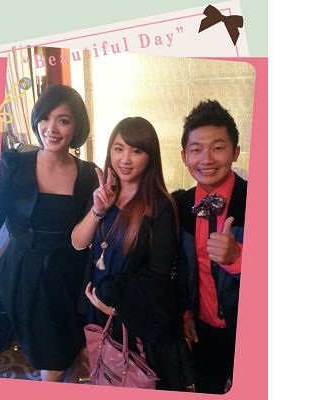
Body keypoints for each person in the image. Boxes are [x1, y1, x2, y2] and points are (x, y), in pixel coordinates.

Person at [71, 117, 194, 391]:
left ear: (150, 157)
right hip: (98, 307)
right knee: (105, 372)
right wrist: (98, 210)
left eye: (136, 151)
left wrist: (115, 306)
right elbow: (78, 243)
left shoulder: (160, 206)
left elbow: (158, 274)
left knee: (133, 378)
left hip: (132, 315)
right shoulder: (105, 194)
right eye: (118, 149)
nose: (125, 159)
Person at [0, 84, 99, 381]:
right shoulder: (13, 165)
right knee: (47, 353)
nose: (51, 128)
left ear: (76, 127)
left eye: (63, 120)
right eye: (45, 118)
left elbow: (87, 235)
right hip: (25, 273)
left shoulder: (88, 174)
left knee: (67, 346)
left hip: (70, 275)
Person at [177, 100, 247, 393]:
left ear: (235, 152)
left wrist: (238, 258)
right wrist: (186, 313)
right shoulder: (178, 205)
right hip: (202, 329)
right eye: (196, 150)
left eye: (218, 148)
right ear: (184, 156)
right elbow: (177, 267)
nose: (206, 159)